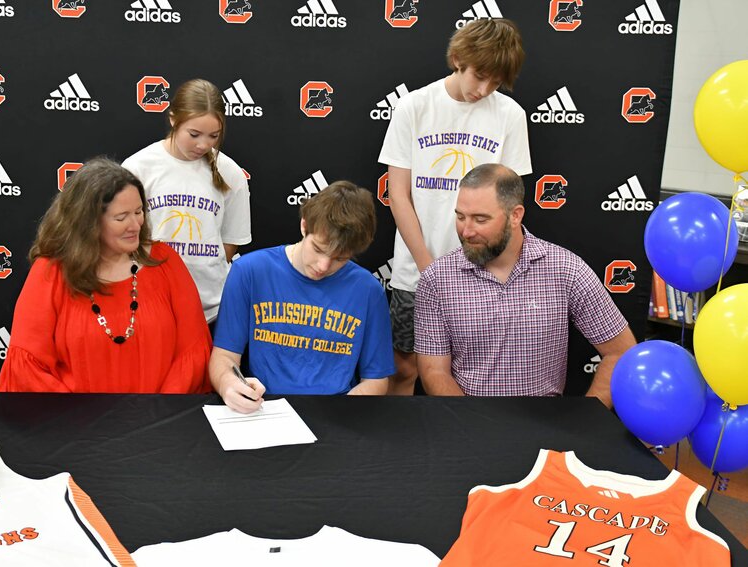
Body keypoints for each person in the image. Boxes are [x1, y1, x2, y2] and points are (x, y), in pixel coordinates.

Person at [378, 18, 532, 395]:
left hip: (483, 272)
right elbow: (398, 195)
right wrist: (431, 272)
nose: (484, 89)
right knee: (405, 368)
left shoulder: (510, 115)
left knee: (473, 371)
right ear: (458, 59)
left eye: (495, 82)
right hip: (417, 270)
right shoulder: (414, 106)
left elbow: (507, 200)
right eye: (479, 75)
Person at [414, 164, 636, 408]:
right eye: (460, 217)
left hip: (545, 427)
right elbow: (434, 371)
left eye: (480, 219)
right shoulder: (437, 279)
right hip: (468, 424)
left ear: (515, 215)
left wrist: (588, 421)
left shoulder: (566, 270)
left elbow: (620, 352)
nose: (466, 231)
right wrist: (472, 426)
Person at [0, 158, 212, 393]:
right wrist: (78, 420)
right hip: (73, 424)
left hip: (158, 422)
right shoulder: (51, 272)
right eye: (121, 217)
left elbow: (192, 351)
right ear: (87, 222)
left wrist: (159, 412)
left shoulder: (165, 262)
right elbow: (29, 368)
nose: (135, 225)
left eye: (139, 212)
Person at [209, 181, 395, 413]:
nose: (324, 265)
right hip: (265, 408)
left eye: (340, 258)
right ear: (304, 226)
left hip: (338, 412)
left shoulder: (367, 289)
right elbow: (225, 356)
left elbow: (376, 380)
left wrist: (341, 413)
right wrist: (229, 386)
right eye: (318, 249)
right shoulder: (250, 271)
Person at [122, 78, 251, 326]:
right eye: (194, 134)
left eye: (214, 136)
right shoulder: (138, 168)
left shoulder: (230, 172)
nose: (203, 145)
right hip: (149, 306)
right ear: (173, 119)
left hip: (212, 311)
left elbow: (230, 242)